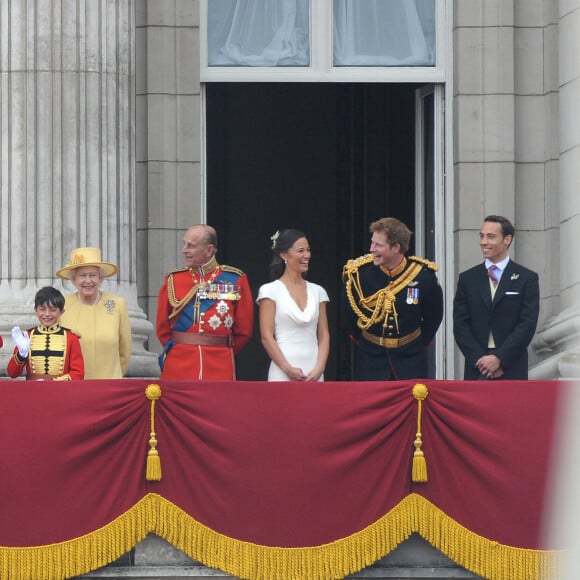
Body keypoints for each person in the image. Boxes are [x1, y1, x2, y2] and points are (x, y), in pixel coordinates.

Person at [342, 217, 443, 380]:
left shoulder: (423, 276)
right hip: (370, 359)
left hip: (410, 360)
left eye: (378, 245)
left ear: (396, 247)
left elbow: (434, 317)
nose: (371, 249)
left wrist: (414, 344)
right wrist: (366, 343)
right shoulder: (360, 275)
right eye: (372, 243)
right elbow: (349, 316)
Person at [156, 224, 254, 380]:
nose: (184, 250)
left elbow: (244, 330)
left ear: (209, 250)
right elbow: (162, 328)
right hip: (179, 364)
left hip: (219, 364)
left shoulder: (235, 279)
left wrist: (222, 350)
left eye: (191, 246)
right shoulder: (173, 279)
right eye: (184, 244)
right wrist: (178, 349)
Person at [453, 215, 540, 380]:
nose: (483, 242)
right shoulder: (467, 279)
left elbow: (527, 324)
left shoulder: (526, 278)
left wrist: (499, 358)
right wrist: (482, 362)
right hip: (477, 367)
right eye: (481, 236)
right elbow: (460, 325)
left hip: (511, 365)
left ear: (507, 239)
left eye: (490, 236)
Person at [257, 229, 330, 381]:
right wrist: (287, 368)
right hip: (283, 371)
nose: (307, 255)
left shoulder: (318, 291)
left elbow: (324, 335)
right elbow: (266, 336)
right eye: (301, 251)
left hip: (314, 371)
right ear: (284, 255)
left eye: (308, 250)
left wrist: (320, 368)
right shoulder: (270, 291)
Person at [56, 247, 132, 379]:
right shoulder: (63, 305)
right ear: (73, 279)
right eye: (82, 275)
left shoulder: (117, 304)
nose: (88, 281)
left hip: (109, 386)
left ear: (100, 277)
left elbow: (125, 350)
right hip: (75, 387)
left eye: (92, 275)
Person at [7, 286, 85, 381]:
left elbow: (78, 373)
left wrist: (56, 382)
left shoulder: (71, 338)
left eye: (53, 310)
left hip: (61, 391)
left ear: (61, 312)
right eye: (42, 309)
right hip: (33, 391)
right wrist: (21, 354)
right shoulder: (28, 336)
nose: (47, 314)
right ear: (36, 309)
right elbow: (12, 373)